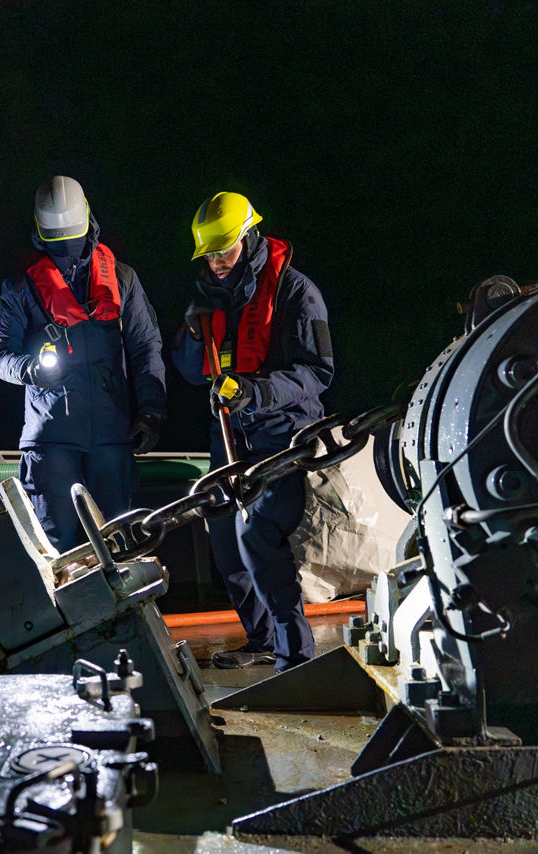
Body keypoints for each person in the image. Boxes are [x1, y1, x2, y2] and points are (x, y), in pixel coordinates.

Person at [171, 192, 334, 671]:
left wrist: (254, 393)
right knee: (225, 537)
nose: (218, 263)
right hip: (228, 436)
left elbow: (316, 372)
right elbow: (189, 371)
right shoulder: (205, 302)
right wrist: (191, 339)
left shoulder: (296, 292)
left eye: (225, 251)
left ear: (250, 237)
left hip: (283, 435)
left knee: (259, 536)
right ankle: (261, 639)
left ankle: (296, 657)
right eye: (210, 255)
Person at [0, 176, 167, 551]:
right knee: (57, 548)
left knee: (118, 544)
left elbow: (145, 348)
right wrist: (31, 369)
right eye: (58, 242)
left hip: (111, 438)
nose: (67, 248)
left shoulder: (122, 278)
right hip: (51, 442)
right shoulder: (20, 288)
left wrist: (151, 412)